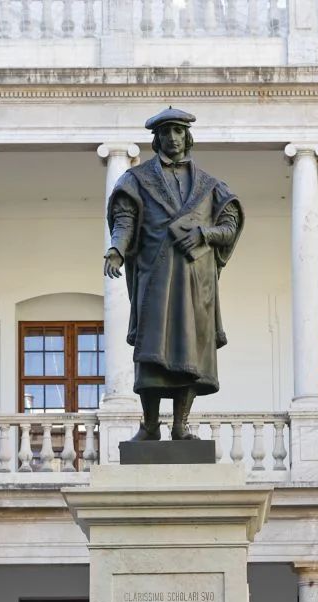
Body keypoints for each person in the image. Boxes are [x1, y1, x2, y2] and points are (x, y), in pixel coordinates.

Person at [104, 106, 244, 442]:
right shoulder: (136, 180)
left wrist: (205, 235)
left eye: (178, 131)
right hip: (155, 278)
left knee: (190, 351)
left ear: (187, 136)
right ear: (156, 138)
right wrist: (117, 249)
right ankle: (150, 425)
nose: (173, 138)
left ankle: (181, 426)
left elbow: (230, 225)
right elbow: (125, 220)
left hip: (197, 282)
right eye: (166, 132)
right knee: (151, 352)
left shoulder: (210, 186)